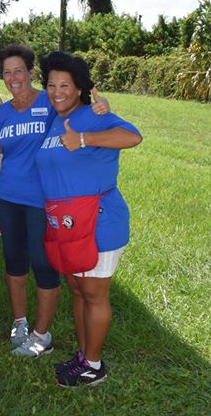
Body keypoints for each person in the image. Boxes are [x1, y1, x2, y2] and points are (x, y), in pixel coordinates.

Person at [0, 45, 109, 359]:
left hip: (43, 200)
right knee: (14, 263)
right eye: (6, 73)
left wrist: (103, 106)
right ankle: (20, 323)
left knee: (44, 265)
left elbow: (79, 106)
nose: (13, 77)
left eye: (18, 70)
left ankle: (42, 335)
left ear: (30, 71)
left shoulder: (50, 99)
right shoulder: (1, 112)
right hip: (7, 197)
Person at [34, 51, 142, 387]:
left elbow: (132, 137)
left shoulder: (95, 116)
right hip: (67, 223)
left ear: (80, 88)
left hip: (98, 222)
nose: (57, 91)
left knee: (94, 293)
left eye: (64, 85)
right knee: (78, 290)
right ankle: (84, 357)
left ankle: (93, 367)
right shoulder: (56, 119)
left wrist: (83, 140)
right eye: (51, 85)